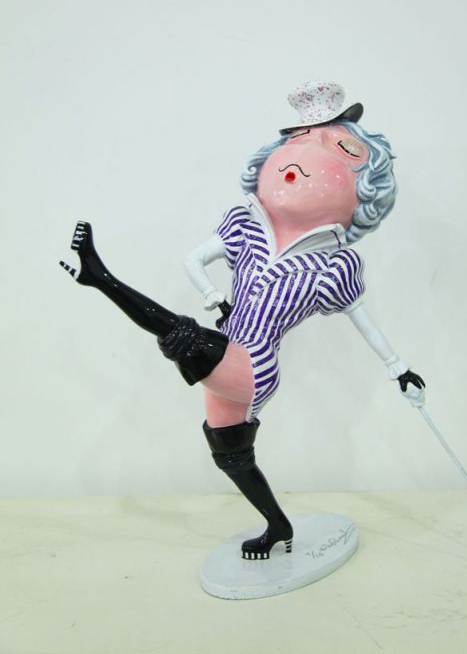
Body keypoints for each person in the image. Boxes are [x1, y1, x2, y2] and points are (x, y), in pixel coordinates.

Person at [60, 80, 426, 561]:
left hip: (253, 365)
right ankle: (278, 526)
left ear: (365, 192)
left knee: (183, 337)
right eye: (296, 140)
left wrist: (399, 369)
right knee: (229, 454)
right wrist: (215, 298)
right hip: (227, 344)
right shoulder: (243, 229)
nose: (300, 158)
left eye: (339, 147)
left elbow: (363, 320)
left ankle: (100, 277)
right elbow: (193, 260)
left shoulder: (334, 265)